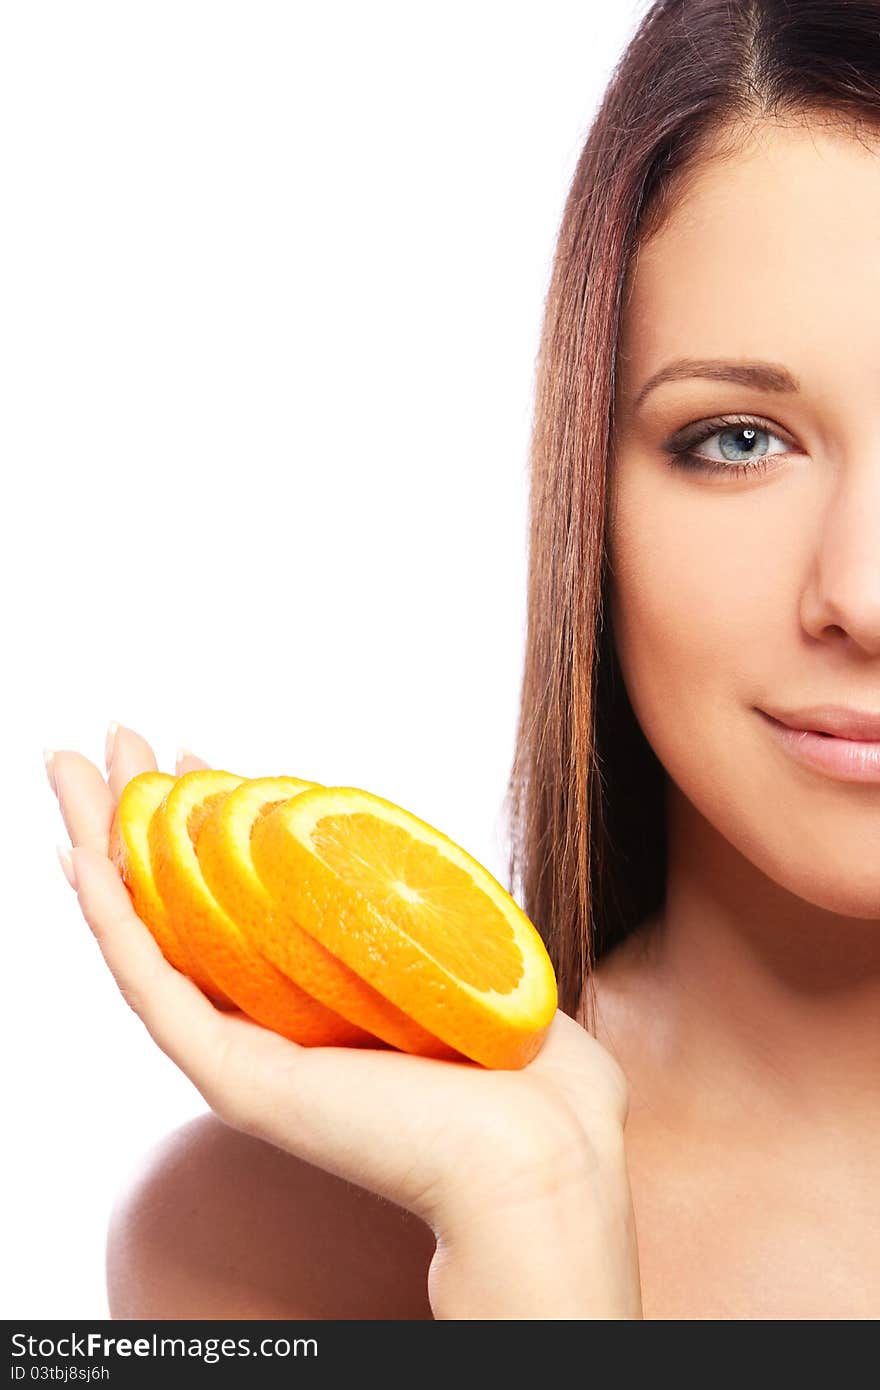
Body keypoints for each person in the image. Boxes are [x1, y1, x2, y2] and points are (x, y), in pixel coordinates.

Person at [46, 0, 880, 1319]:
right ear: (587, 498)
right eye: (736, 439)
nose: (864, 592)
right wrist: (537, 1239)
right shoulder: (261, 1251)